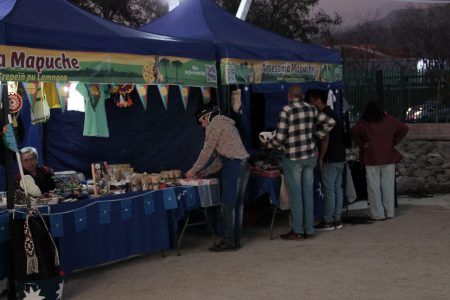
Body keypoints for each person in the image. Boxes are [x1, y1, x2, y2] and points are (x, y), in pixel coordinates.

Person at [264, 85, 335, 240]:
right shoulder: (311, 109)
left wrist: (268, 144)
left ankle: (297, 230)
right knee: (308, 193)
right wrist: (317, 135)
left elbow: (280, 137)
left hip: (293, 157)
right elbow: (331, 122)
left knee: (296, 194)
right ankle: (309, 230)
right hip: (310, 156)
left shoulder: (286, 110)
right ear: (302, 96)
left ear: (289, 96)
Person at [186, 106, 249, 252]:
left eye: (202, 121)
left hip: (233, 167)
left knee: (227, 205)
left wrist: (193, 170)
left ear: (207, 117)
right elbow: (221, 160)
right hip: (243, 165)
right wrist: (204, 172)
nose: (202, 125)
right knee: (237, 205)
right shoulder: (227, 124)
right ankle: (235, 240)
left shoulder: (214, 125)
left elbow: (207, 150)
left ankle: (228, 241)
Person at [351, 101, 409, 220]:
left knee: (374, 187)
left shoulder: (364, 122)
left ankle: (378, 214)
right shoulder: (390, 120)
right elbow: (404, 128)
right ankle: (390, 212)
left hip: (371, 156)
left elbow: (354, 132)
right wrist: (394, 141)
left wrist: (362, 144)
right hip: (388, 155)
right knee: (388, 186)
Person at [309, 89, 346, 230]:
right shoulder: (335, 114)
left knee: (329, 190)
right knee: (337, 189)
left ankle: (328, 221)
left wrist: (321, 158)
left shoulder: (324, 116)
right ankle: (337, 219)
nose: (311, 104)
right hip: (340, 157)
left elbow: (325, 139)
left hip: (330, 158)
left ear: (318, 101)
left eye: (312, 101)